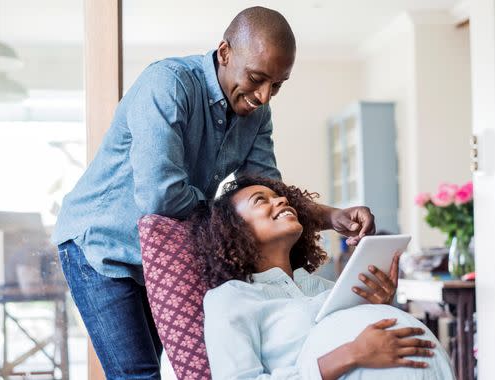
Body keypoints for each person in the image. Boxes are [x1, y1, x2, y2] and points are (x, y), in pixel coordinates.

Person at [52, 6, 376, 379]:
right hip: (100, 246)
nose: (264, 96)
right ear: (224, 53)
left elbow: (267, 189)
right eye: (256, 78)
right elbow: (162, 195)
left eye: (277, 85)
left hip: (157, 254)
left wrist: (332, 216)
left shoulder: (257, 112)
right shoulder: (168, 85)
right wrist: (231, 215)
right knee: (138, 375)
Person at [191, 176, 454, 379]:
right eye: (261, 200)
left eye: (279, 197)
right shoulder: (230, 297)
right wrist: (351, 354)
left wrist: (380, 306)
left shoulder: (331, 288)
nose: (281, 201)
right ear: (234, 229)